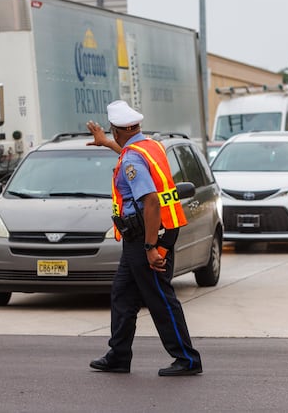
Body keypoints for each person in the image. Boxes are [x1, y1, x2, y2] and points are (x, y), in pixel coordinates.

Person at [86, 100, 203, 377]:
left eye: (112, 134)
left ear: (117, 130)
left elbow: (150, 201)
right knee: (123, 295)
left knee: (160, 299)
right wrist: (105, 143)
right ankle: (119, 355)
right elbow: (130, 156)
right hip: (148, 235)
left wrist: (152, 247)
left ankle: (187, 358)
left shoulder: (132, 158)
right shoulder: (149, 146)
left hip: (146, 236)